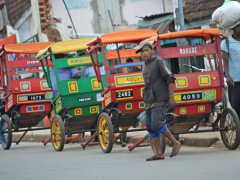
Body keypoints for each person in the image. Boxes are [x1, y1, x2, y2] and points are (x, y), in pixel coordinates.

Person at [136, 40, 181, 161]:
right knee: (150, 126)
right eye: (142, 51)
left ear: (152, 50)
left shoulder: (158, 61)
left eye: (146, 50)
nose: (144, 53)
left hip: (160, 98)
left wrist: (171, 97)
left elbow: (170, 79)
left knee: (157, 123)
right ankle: (159, 153)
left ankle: (175, 142)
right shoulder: (145, 64)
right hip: (149, 99)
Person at [221, 23, 240, 119]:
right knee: (236, 106)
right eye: (238, 26)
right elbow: (225, 61)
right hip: (235, 81)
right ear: (233, 27)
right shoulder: (226, 43)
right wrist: (227, 76)